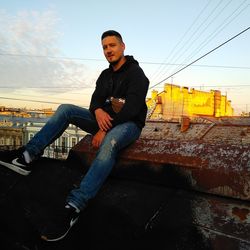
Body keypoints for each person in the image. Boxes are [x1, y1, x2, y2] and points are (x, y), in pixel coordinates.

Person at [0, 30, 149, 241]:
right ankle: (27, 157)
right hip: (104, 119)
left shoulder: (136, 74)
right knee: (65, 109)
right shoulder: (105, 75)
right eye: (105, 47)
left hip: (129, 124)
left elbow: (132, 109)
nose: (108, 50)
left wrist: (103, 129)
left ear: (123, 46)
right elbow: (95, 101)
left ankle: (74, 206)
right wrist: (97, 111)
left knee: (110, 142)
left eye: (112, 45)